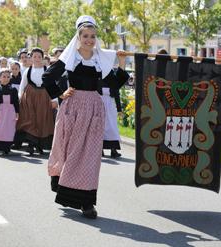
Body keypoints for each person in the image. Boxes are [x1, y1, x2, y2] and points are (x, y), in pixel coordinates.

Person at [42, 15, 129, 219]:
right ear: (78, 37)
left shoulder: (100, 60)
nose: (89, 40)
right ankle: (61, 181)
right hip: (73, 110)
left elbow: (114, 84)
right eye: (85, 36)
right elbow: (47, 77)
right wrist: (60, 94)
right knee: (69, 151)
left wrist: (122, 62)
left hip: (94, 111)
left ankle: (86, 202)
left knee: (90, 156)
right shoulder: (70, 58)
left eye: (92, 36)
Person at [15, 47, 57, 155]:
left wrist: (55, 99)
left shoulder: (47, 70)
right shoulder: (28, 71)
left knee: (42, 120)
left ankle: (40, 145)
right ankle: (31, 145)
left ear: (42, 58)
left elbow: (52, 85)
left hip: (44, 97)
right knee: (30, 119)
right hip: (30, 97)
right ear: (31, 58)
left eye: (39, 56)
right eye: (34, 56)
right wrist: (20, 96)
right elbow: (22, 85)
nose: (37, 58)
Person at [0, 68, 19, 154]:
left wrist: (17, 112)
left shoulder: (13, 90)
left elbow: (15, 102)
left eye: (7, 77)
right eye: (3, 76)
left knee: (9, 129)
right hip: (0, 112)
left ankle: (7, 147)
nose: (5, 79)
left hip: (10, 112)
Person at [100, 73, 126, 158]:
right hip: (99, 102)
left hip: (110, 104)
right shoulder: (97, 73)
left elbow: (117, 94)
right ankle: (100, 150)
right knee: (100, 126)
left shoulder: (112, 76)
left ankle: (113, 150)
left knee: (112, 126)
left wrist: (119, 110)